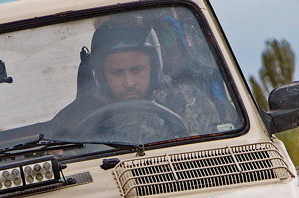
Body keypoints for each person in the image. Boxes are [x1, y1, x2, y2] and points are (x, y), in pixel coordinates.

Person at [53, 18, 222, 139]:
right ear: (101, 76)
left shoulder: (189, 101)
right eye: (117, 73)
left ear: (155, 68)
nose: (129, 83)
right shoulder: (75, 117)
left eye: (137, 70)